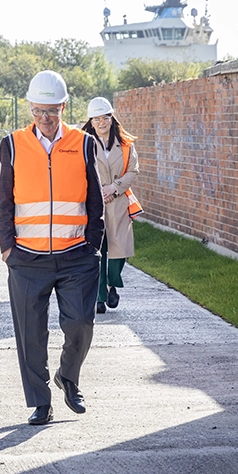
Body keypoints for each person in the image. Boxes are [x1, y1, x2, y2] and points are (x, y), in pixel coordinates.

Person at [0, 70, 104, 426]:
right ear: (29, 107)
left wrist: (94, 245)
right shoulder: (12, 144)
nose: (45, 118)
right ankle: (40, 402)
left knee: (81, 325)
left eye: (52, 111)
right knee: (31, 334)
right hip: (26, 258)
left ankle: (68, 377)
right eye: (38, 111)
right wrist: (7, 249)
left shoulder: (84, 143)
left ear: (64, 106)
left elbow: (94, 199)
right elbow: (5, 201)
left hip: (76, 256)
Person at [82, 97, 143, 314]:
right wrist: (98, 191)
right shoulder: (83, 142)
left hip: (118, 203)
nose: (101, 122)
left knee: (119, 250)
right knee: (98, 250)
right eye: (97, 119)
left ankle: (112, 285)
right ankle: (99, 297)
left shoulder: (125, 144)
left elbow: (133, 171)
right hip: (94, 205)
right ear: (91, 120)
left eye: (105, 117)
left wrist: (114, 187)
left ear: (111, 117)